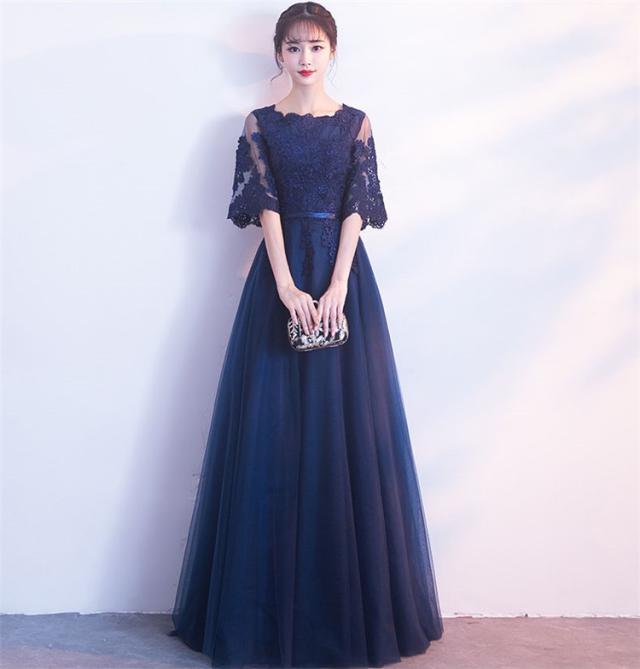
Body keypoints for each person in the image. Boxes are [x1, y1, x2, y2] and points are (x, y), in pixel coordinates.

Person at [168, 2, 444, 666]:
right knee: (272, 429)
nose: (305, 58)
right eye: (293, 47)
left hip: (345, 282)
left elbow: (356, 207)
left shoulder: (357, 122)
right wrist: (288, 285)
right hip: (279, 281)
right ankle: (260, 613)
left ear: (333, 51)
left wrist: (339, 283)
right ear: (278, 54)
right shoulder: (259, 124)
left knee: (348, 428)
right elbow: (264, 207)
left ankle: (346, 609)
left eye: (315, 46)